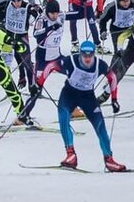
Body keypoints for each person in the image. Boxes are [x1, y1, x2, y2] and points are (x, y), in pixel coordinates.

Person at [36, 41, 127, 172]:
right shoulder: (71, 61)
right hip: (69, 94)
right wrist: (39, 84)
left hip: (88, 97)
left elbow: (112, 77)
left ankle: (109, 160)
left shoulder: (99, 65)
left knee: (100, 126)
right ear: (80, 54)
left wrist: (114, 99)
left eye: (90, 55)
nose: (88, 58)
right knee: (63, 117)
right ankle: (70, 154)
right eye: (85, 55)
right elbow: (51, 66)